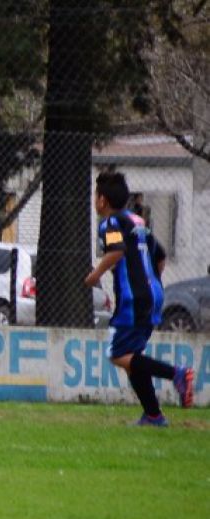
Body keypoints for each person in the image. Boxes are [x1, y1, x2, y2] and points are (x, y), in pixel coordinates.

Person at [84, 172, 194, 426]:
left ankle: (177, 374)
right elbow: (161, 256)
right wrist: (149, 280)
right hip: (152, 294)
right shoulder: (137, 220)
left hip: (133, 299)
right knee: (132, 357)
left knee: (116, 353)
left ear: (102, 200)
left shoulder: (110, 223)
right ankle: (153, 415)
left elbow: (116, 251)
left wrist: (94, 275)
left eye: (95, 195)